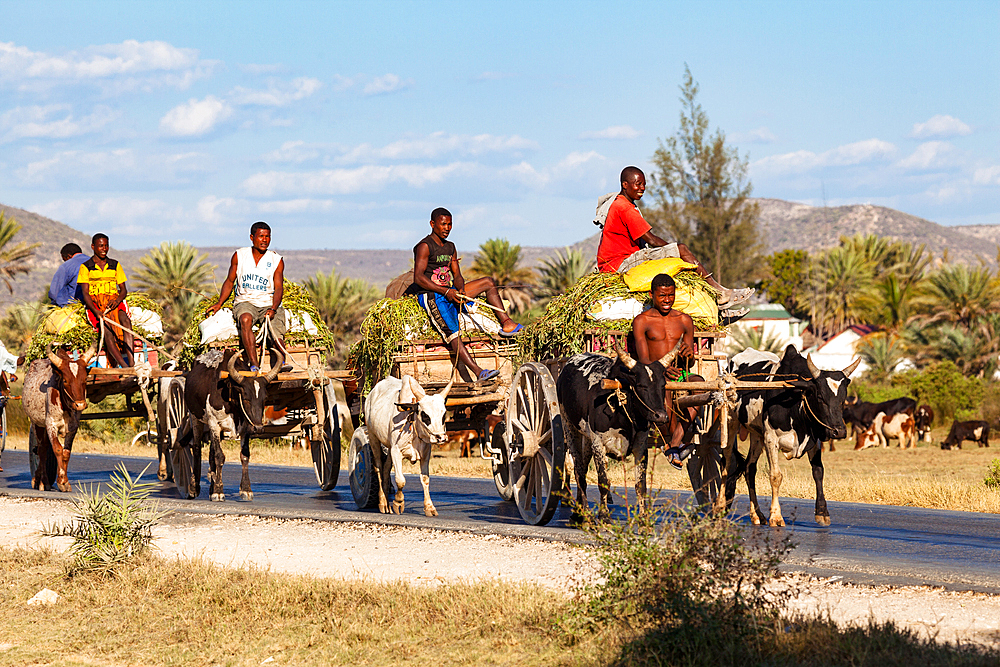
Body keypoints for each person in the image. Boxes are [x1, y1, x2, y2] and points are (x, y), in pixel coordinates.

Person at [596, 166, 754, 310]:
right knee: (682, 250)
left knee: (677, 260)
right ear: (625, 185)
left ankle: (711, 306)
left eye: (644, 184)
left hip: (618, 261)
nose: (642, 188)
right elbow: (651, 240)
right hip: (619, 263)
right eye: (638, 184)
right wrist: (674, 251)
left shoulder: (621, 204)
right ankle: (718, 293)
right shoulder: (624, 208)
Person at [409, 207, 523, 382]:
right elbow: (418, 278)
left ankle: (506, 323)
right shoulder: (424, 246)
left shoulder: (450, 247)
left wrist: (460, 289)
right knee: (453, 332)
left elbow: (458, 275)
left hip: (450, 291)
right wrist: (446, 291)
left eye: (450, 224)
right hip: (432, 295)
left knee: (488, 282)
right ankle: (478, 372)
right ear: (432, 224)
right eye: (443, 224)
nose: (447, 228)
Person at [632, 273, 704, 469]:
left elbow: (689, 362)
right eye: (662, 295)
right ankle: (676, 445)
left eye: (670, 295)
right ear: (652, 294)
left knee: (702, 387)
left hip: (680, 374)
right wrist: (661, 370)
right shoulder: (642, 321)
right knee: (663, 390)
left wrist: (689, 354)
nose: (667, 300)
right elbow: (644, 359)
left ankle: (674, 444)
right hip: (654, 375)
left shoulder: (685, 320)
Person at [207, 221, 290, 373]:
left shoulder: (276, 260)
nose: (264, 240)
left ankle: (282, 362)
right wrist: (219, 303)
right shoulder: (240, 256)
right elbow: (230, 281)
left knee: (276, 332)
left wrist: (273, 308)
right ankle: (254, 364)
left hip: (268, 302)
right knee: (245, 319)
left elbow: (279, 287)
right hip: (245, 302)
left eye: (267, 237)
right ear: (252, 237)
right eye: (261, 236)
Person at [78, 234, 134, 368]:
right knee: (106, 330)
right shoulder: (86, 267)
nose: (104, 249)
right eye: (101, 246)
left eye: (106, 245)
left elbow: (123, 290)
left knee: (126, 321)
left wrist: (117, 301)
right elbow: (85, 293)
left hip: (114, 302)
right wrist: (96, 311)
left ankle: (132, 364)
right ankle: (124, 367)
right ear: (93, 247)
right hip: (96, 304)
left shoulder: (115, 265)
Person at [48, 243, 87, 307]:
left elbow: (54, 292)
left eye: (64, 260)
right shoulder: (94, 262)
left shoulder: (66, 266)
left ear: (68, 256)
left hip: (73, 307)